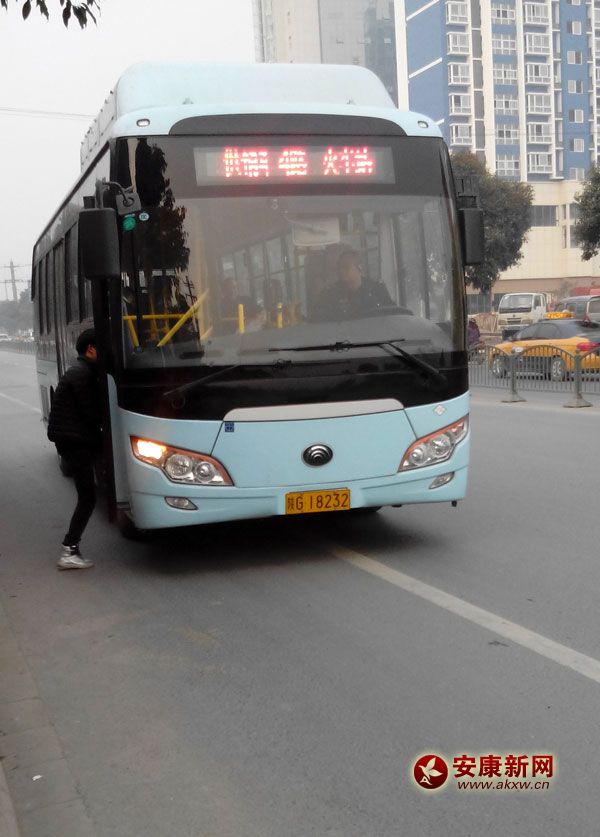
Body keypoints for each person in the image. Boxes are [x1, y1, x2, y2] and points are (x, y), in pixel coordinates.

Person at [47, 329, 102, 570]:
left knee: (87, 496)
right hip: (74, 443)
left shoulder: (80, 371)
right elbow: (91, 414)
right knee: (88, 498)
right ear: (91, 349)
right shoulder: (83, 375)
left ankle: (70, 549)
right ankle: (69, 550)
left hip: (71, 441)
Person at [315, 249, 393, 321]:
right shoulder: (329, 294)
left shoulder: (377, 289)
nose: (341, 271)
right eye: (339, 267)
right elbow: (318, 322)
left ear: (359, 268)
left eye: (346, 267)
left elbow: (393, 314)